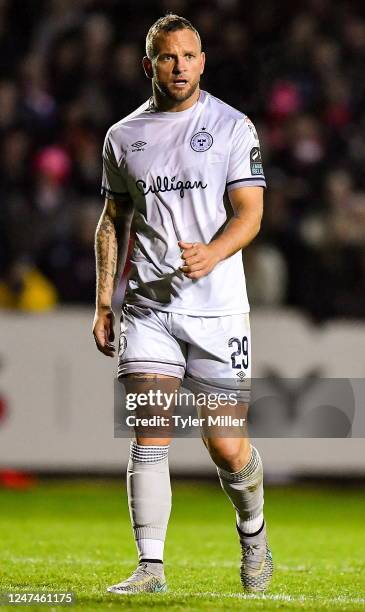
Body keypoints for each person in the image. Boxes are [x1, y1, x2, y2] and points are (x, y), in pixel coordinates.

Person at [93, 13, 273, 595]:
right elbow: (112, 221)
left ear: (203, 61)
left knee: (225, 444)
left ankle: (254, 531)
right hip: (148, 307)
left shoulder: (231, 127)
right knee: (150, 430)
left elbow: (250, 213)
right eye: (168, 58)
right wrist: (103, 303)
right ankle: (150, 567)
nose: (180, 67)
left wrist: (213, 253)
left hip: (218, 307)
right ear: (149, 65)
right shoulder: (123, 137)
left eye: (190, 56)